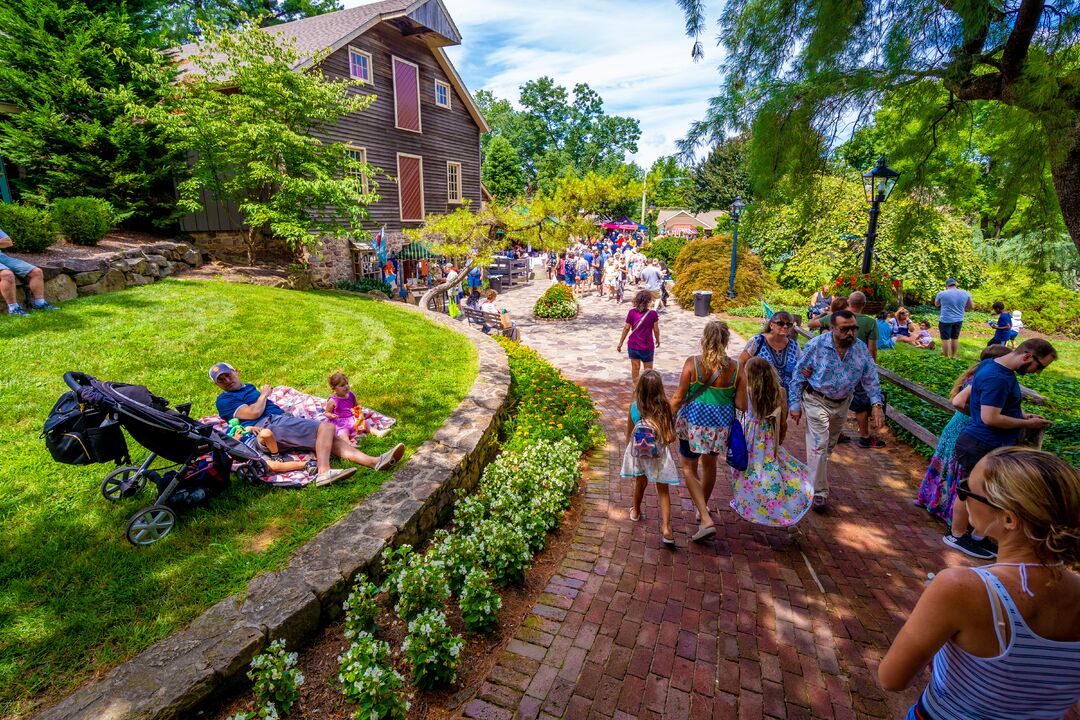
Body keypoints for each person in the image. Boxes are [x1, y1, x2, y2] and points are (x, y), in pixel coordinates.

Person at [879, 447, 1080, 719]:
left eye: (966, 491)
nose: (959, 496)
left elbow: (892, 679)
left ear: (1009, 518)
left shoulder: (961, 587)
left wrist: (936, 616)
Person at [210, 362, 404, 486]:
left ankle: (375, 462)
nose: (226, 380)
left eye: (228, 374)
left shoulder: (248, 388)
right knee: (326, 427)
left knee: (329, 437)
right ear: (217, 385)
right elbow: (253, 412)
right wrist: (264, 395)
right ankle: (324, 472)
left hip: (280, 423)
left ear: (235, 371)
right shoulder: (224, 401)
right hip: (268, 426)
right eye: (221, 380)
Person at [948, 339, 1056, 558]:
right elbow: (990, 417)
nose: (1038, 372)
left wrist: (1021, 415)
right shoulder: (998, 377)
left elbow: (988, 407)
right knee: (969, 492)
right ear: (1027, 356)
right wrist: (1028, 424)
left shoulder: (994, 366)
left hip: (985, 442)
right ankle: (957, 535)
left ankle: (975, 536)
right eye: (1040, 366)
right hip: (982, 443)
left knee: (984, 493)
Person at [789, 310, 885, 509]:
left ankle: (812, 474)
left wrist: (876, 405)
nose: (850, 333)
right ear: (832, 328)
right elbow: (798, 374)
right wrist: (795, 404)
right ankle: (818, 493)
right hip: (816, 399)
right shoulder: (816, 345)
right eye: (845, 329)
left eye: (853, 329)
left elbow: (871, 378)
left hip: (842, 403)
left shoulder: (860, 349)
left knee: (827, 447)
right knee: (819, 445)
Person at [917, 346, 1011, 533]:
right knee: (958, 472)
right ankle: (951, 515)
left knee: (945, 467)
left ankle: (932, 501)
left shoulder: (975, 374)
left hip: (955, 427)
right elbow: (959, 402)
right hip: (964, 428)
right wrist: (979, 415)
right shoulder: (982, 378)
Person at [670, 320, 747, 541]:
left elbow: (678, 397)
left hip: (692, 424)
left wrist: (664, 418)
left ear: (705, 338)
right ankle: (700, 508)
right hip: (719, 428)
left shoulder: (692, 364)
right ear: (726, 340)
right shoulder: (736, 368)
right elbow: (743, 405)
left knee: (688, 467)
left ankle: (704, 516)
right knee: (710, 465)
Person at [729, 358, 813, 528]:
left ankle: (753, 505)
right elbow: (782, 422)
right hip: (768, 438)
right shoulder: (780, 392)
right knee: (773, 468)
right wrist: (779, 440)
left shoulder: (746, 391)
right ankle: (784, 505)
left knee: (749, 471)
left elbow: (738, 409)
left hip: (750, 436)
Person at [622, 370, 682, 547]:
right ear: (659, 389)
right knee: (663, 491)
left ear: (640, 388)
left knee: (640, 484)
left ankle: (635, 512)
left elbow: (628, 435)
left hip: (640, 455)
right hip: (659, 456)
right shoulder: (664, 409)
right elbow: (671, 437)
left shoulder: (634, 408)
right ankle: (666, 529)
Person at [738, 311, 801, 396]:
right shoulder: (757, 341)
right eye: (780, 323)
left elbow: (800, 368)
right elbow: (741, 363)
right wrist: (744, 386)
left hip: (786, 397)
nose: (785, 326)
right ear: (771, 325)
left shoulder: (794, 346)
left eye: (789, 324)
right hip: (758, 395)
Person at [0, 227, 59, 316]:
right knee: (7, 274)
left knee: (36, 272)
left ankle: (40, 304)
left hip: (1, 257)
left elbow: (8, 242)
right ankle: (13, 309)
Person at [616, 290, 660, 384]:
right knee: (648, 371)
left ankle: (636, 388)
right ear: (648, 301)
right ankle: (647, 389)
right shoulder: (653, 314)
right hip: (647, 346)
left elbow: (626, 328)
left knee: (635, 368)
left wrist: (620, 343)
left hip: (633, 345)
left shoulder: (631, 312)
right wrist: (658, 339)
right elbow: (656, 329)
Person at [934, 278, 973, 359]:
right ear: (956, 284)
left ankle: (946, 357)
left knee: (945, 339)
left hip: (945, 319)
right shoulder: (966, 293)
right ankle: (954, 356)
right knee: (955, 338)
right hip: (959, 319)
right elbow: (971, 306)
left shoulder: (942, 293)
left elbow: (937, 304)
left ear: (946, 285)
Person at [325, 371, 362, 442]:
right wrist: (331, 415)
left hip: (351, 418)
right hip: (340, 422)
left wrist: (359, 413)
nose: (346, 386)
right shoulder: (333, 400)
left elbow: (356, 405)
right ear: (334, 388)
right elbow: (326, 413)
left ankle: (376, 432)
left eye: (347, 384)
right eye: (342, 385)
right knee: (342, 432)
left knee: (365, 423)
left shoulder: (351, 394)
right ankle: (349, 444)